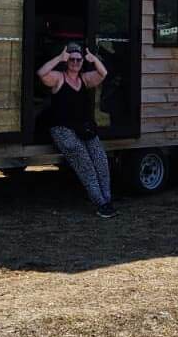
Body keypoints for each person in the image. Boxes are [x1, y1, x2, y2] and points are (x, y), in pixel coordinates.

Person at [36, 42, 117, 218]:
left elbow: (103, 73)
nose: (75, 63)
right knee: (85, 162)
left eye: (78, 60)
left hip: (83, 128)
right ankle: (101, 203)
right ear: (67, 61)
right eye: (71, 59)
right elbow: (42, 73)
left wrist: (94, 59)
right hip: (62, 129)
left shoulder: (84, 79)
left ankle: (107, 199)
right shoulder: (59, 78)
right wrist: (59, 57)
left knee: (101, 160)